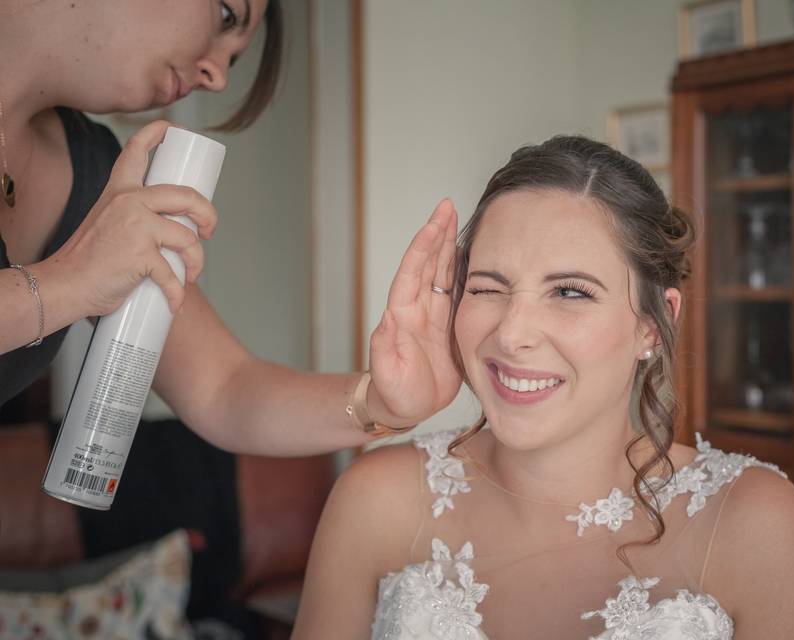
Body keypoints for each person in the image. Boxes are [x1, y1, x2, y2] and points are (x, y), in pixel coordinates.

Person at [293, 136, 794, 639]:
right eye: (488, 288)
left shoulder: (754, 522)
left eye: (570, 292)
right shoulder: (377, 501)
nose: (511, 335)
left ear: (653, 325)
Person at [0, 0, 461, 453]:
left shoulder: (95, 172)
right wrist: (70, 282)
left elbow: (224, 389)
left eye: (234, 57)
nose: (218, 77)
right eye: (226, 16)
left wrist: (382, 402)